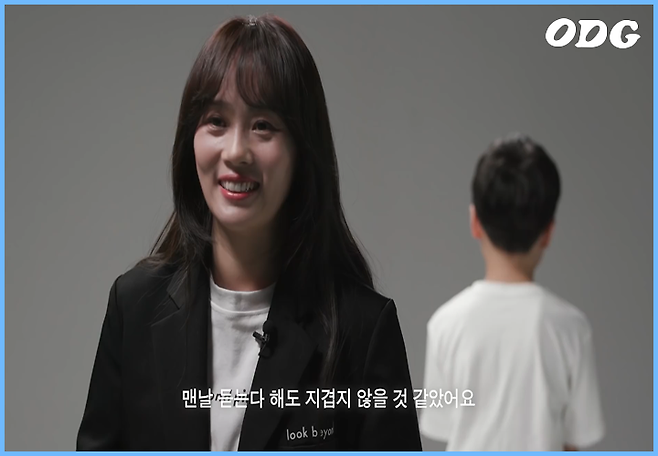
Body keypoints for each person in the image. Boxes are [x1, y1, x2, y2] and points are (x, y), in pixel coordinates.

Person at [76, 14, 421, 451]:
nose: (236, 151)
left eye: (263, 126)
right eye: (216, 121)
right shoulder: (135, 306)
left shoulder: (363, 331)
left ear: (302, 150)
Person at [420, 134, 605, 451]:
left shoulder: (445, 324)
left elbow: (445, 430)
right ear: (548, 232)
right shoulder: (571, 328)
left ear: (474, 222)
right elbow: (575, 439)